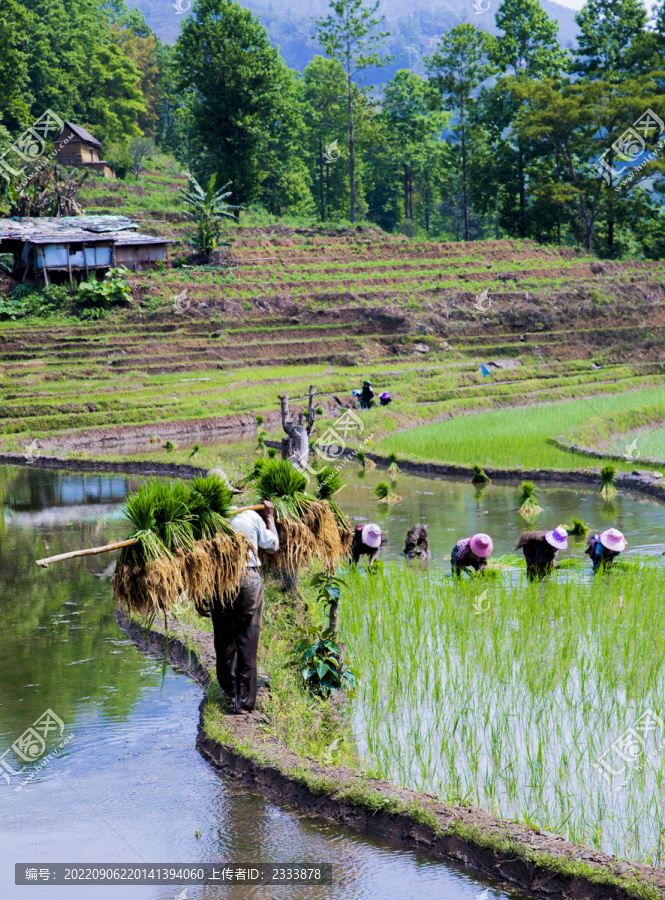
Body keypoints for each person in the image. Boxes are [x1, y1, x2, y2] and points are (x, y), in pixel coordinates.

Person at [210, 499, 279, 715]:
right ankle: (244, 702)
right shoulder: (250, 516)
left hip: (220, 581)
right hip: (249, 579)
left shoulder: (206, 520)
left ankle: (230, 689)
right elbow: (274, 545)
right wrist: (269, 517)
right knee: (247, 639)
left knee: (223, 637)